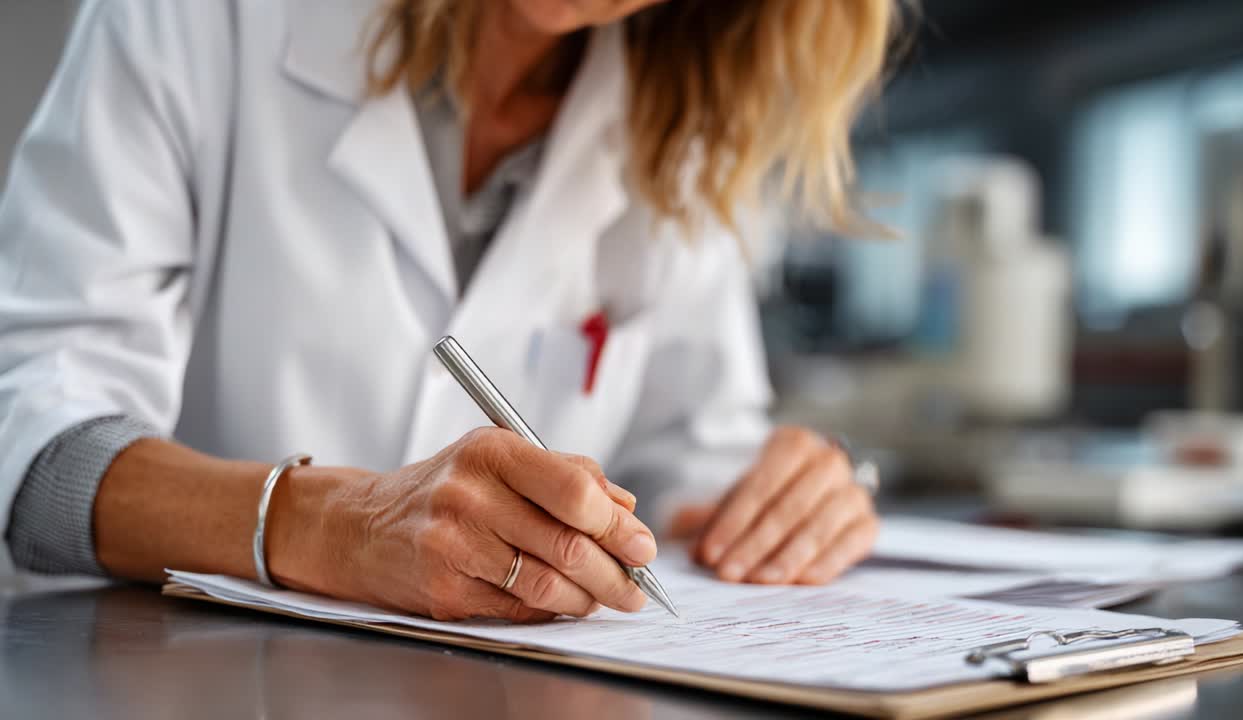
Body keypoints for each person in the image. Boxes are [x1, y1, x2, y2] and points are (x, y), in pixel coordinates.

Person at [0, 0, 893, 622]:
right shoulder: (207, 20)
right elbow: (31, 448)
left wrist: (777, 508)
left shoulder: (680, 119)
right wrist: (332, 527)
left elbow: (686, 466)